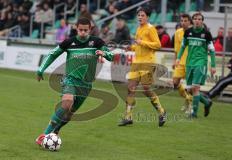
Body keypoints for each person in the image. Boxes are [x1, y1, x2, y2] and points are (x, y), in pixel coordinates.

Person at [35, 17, 114, 145]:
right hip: (70, 80)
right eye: (80, 30)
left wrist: (104, 54)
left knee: (69, 115)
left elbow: (111, 56)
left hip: (86, 84)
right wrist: (41, 69)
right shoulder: (69, 42)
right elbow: (53, 54)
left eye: (85, 30)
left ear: (90, 29)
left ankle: (56, 131)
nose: (83, 32)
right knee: (67, 103)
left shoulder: (97, 42)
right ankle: (44, 135)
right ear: (76, 28)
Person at [118, 6, 166, 127]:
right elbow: (139, 46)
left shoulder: (151, 29)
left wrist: (142, 42)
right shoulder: (139, 28)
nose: (140, 17)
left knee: (146, 89)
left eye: (142, 15)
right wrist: (131, 47)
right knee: (130, 88)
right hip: (137, 62)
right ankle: (128, 117)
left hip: (147, 62)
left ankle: (162, 112)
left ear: (148, 17)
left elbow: (158, 45)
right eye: (139, 15)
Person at [176, 12, 216, 118]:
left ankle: (194, 113)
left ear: (202, 21)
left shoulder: (206, 33)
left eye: (199, 19)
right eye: (195, 19)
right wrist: (178, 58)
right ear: (192, 21)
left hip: (200, 63)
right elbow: (183, 46)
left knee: (195, 88)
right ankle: (207, 103)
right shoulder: (188, 32)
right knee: (189, 90)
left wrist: (213, 65)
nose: (197, 21)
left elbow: (212, 51)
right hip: (189, 63)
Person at [172, 14, 192, 114]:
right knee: (175, 82)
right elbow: (176, 48)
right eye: (182, 21)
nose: (183, 22)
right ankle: (187, 99)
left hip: (190, 62)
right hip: (180, 62)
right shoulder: (178, 32)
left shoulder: (194, 33)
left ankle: (190, 106)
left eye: (185, 21)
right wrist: (174, 60)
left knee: (190, 86)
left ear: (189, 22)